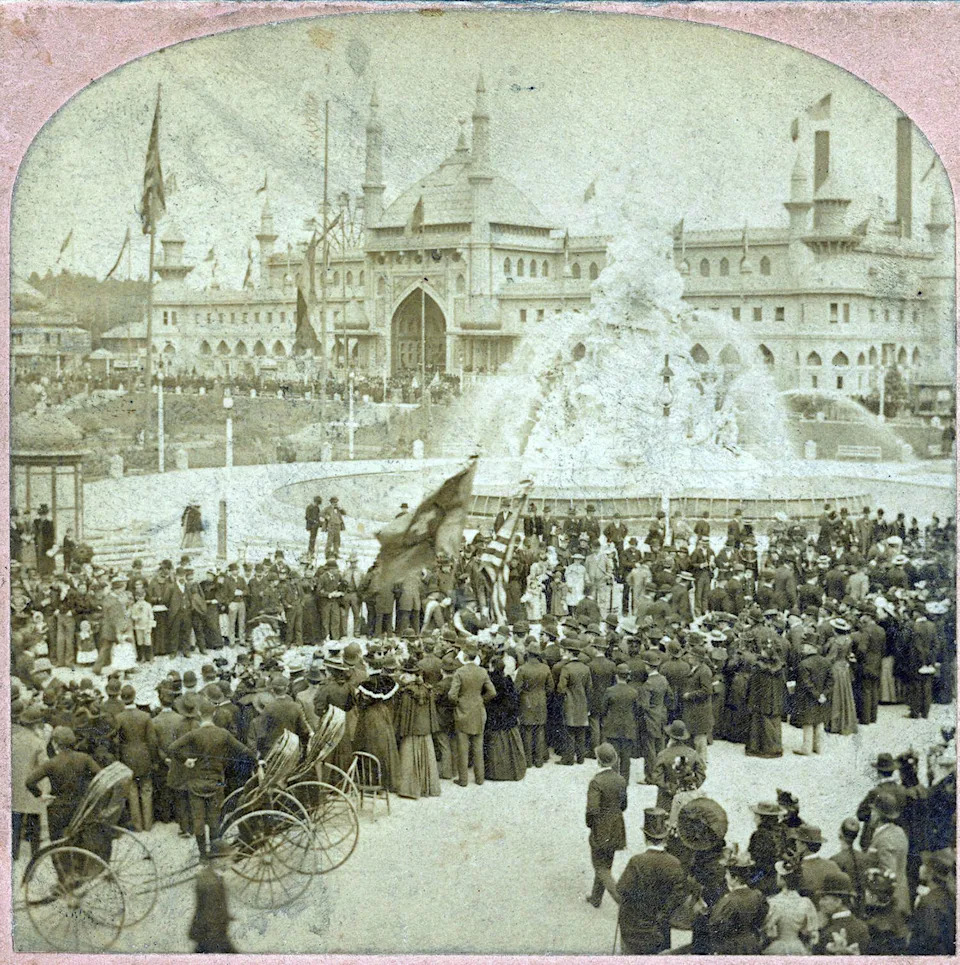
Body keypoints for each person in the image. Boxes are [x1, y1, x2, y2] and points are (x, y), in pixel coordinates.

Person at [167, 701, 255, 858]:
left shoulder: (194, 734)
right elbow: (245, 751)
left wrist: (185, 760)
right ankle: (216, 854)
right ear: (214, 714)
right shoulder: (223, 734)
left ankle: (203, 856)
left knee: (198, 821)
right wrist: (257, 760)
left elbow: (172, 748)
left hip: (196, 783)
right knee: (214, 821)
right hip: (216, 782)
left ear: (199, 714)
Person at [616, 807, 686, 953]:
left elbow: (621, 889)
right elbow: (679, 895)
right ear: (665, 838)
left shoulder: (637, 861)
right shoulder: (674, 862)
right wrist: (663, 914)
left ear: (645, 837)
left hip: (635, 928)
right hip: (660, 928)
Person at [25, 725, 101, 843]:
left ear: (55, 743)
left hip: (58, 808)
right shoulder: (84, 758)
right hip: (80, 805)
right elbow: (99, 775)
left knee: (58, 845)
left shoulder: (51, 763)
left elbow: (29, 781)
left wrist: (40, 795)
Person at [584, 742, 627, 908]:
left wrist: (591, 825)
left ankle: (621, 900)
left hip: (601, 828)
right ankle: (596, 897)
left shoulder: (596, 782)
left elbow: (592, 810)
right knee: (606, 863)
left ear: (599, 761)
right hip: (617, 826)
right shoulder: (621, 779)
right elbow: (624, 805)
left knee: (599, 866)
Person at [448, 641, 496, 786]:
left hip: (463, 712)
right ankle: (479, 778)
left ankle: (463, 780)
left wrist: (459, 702)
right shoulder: (482, 671)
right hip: (478, 711)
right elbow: (492, 692)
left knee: (462, 748)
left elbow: (452, 695)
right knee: (478, 747)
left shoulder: (460, 672)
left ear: (465, 656)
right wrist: (481, 700)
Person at [112, 684, 158, 832]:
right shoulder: (145, 716)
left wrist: (119, 758)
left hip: (127, 756)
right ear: (134, 696)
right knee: (146, 789)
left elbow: (117, 742)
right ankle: (148, 824)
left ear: (122, 698)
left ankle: (137, 825)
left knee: (131, 790)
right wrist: (153, 758)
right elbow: (152, 741)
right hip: (144, 755)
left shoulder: (118, 718)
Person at [708, 850, 769, 954]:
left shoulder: (729, 900)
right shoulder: (758, 895)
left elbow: (715, 926)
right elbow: (762, 917)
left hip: (733, 946)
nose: (725, 877)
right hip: (752, 942)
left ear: (735, 878)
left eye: (727, 874)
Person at [189, 838, 238, 953]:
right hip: (212, 935)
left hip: (209, 933)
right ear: (217, 861)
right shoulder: (211, 883)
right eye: (228, 859)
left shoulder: (211, 876)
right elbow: (209, 914)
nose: (231, 862)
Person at [763, 859, 820, 955]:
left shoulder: (773, 902)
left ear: (782, 879)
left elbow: (767, 929)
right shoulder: (805, 902)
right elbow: (811, 932)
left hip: (777, 947)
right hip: (798, 947)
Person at [907, 848, 956, 955]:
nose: (920, 867)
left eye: (924, 864)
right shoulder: (947, 896)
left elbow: (930, 941)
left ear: (930, 871)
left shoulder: (929, 902)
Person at [514, 643, 553, 768]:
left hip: (527, 702)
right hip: (541, 700)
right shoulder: (545, 668)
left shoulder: (523, 669)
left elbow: (517, 689)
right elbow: (550, 687)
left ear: (528, 654)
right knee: (540, 730)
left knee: (527, 731)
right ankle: (539, 760)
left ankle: (528, 761)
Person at [815, 869, 871, 954]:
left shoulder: (828, 931)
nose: (820, 903)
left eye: (824, 898)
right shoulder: (862, 927)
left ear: (838, 902)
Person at [601, 664, 639, 784]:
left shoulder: (610, 691)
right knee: (626, 757)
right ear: (627, 676)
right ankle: (624, 781)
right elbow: (637, 710)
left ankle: (613, 780)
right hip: (628, 728)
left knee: (614, 756)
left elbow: (603, 709)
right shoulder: (633, 692)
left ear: (616, 676)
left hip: (612, 727)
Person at [557, 640, 592, 765]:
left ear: (569, 653)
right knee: (581, 731)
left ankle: (568, 758)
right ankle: (581, 758)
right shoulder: (586, 668)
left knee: (569, 731)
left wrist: (566, 692)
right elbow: (589, 688)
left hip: (570, 702)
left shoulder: (566, 668)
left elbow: (561, 688)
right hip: (582, 702)